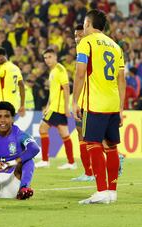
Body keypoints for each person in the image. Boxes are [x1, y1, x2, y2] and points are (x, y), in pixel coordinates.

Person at [72, 9, 125, 204]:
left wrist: (75, 101)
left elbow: (80, 73)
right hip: (112, 103)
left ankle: (101, 191)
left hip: (95, 102)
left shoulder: (86, 42)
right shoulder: (115, 46)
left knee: (93, 145)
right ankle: (112, 191)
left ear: (87, 24)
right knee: (111, 147)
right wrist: (120, 108)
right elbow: (122, 80)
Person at [35, 48, 76, 169]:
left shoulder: (59, 69)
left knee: (42, 129)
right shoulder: (53, 71)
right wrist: (47, 106)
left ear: (55, 57)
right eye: (45, 58)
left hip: (58, 108)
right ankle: (71, 162)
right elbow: (53, 92)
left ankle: (45, 160)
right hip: (54, 107)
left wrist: (67, 107)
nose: (47, 60)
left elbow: (67, 88)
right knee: (64, 134)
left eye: (49, 57)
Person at [70, 24, 94, 181]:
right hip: (83, 101)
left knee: (90, 137)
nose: (77, 38)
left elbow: (81, 77)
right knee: (80, 134)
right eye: (76, 36)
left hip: (91, 101)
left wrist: (74, 101)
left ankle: (115, 156)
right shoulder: (80, 53)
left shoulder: (88, 51)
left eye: (80, 35)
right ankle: (88, 172)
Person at [0, 47, 26, 117]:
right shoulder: (15, 68)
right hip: (15, 106)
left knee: (4, 127)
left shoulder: (2, 69)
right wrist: (22, 105)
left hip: (5, 106)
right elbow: (21, 85)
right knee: (8, 126)